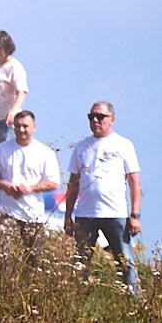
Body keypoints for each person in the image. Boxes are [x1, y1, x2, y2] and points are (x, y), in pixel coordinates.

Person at [64, 102, 141, 288]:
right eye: (92, 116)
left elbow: (134, 182)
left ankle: (135, 303)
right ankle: (79, 303)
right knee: (80, 263)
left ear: (112, 119)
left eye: (100, 116)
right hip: (85, 215)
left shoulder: (123, 145)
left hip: (115, 214)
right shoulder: (81, 147)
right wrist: (68, 215)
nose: (95, 120)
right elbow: (73, 183)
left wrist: (135, 214)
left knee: (125, 263)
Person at [0, 109, 61, 237]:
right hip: (7, 213)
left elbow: (53, 183)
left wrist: (31, 188)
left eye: (25, 126)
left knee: (33, 256)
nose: (21, 130)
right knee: (4, 254)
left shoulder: (45, 153)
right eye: (17, 126)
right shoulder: (0, 149)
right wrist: (4, 185)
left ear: (34, 127)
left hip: (33, 215)